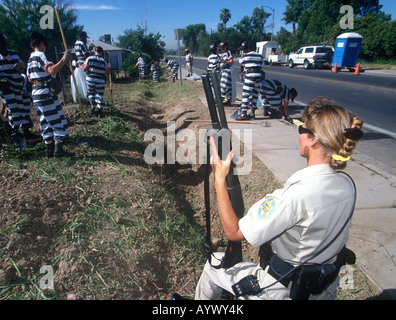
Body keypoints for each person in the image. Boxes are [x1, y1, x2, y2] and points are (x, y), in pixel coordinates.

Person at [195, 97, 364, 300]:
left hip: (286, 289)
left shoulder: (296, 196)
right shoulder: (347, 184)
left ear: (313, 140)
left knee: (214, 264)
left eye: (302, 129)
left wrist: (219, 180)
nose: (299, 134)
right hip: (323, 287)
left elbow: (234, 232)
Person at [27, 31, 74, 158]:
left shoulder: (30, 59)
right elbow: (52, 69)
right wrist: (63, 60)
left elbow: (30, 79)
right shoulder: (41, 55)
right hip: (45, 94)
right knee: (58, 121)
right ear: (42, 43)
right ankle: (58, 151)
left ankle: (49, 151)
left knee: (45, 123)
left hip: (36, 94)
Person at [0, 33, 37, 150]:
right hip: (7, 89)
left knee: (24, 108)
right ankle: (15, 138)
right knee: (14, 112)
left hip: (19, 86)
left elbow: (22, 67)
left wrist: (21, 67)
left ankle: (25, 132)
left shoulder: (13, 54)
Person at [80, 46, 111, 118]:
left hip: (90, 78)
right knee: (99, 95)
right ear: (101, 53)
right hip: (100, 79)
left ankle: (92, 105)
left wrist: (79, 66)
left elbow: (84, 69)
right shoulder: (103, 61)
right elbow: (109, 72)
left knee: (91, 92)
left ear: (94, 52)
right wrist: (109, 67)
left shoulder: (89, 58)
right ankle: (100, 111)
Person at [236, 40, 265, 121]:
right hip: (258, 77)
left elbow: (240, 62)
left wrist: (242, 55)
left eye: (244, 49)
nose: (243, 51)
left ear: (248, 48)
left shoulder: (245, 56)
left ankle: (243, 113)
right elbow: (262, 65)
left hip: (250, 77)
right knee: (255, 95)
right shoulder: (260, 56)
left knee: (245, 94)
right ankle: (252, 112)